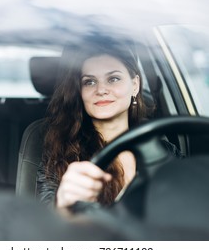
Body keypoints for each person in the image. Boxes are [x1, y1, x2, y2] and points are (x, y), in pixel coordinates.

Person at [36, 36, 180, 211]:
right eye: (90, 82)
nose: (101, 90)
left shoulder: (164, 151)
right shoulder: (61, 154)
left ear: (135, 85)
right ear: (80, 93)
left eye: (113, 79)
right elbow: (47, 225)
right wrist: (63, 205)